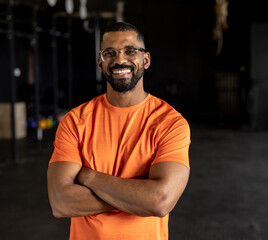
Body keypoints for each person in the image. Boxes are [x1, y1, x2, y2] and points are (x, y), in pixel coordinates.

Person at [47, 21, 191, 240]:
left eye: (130, 51)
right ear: (99, 62)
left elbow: (160, 201)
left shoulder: (170, 123)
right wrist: (139, 194)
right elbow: (60, 202)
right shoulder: (75, 121)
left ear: (146, 59)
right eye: (110, 53)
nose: (120, 59)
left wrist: (89, 177)